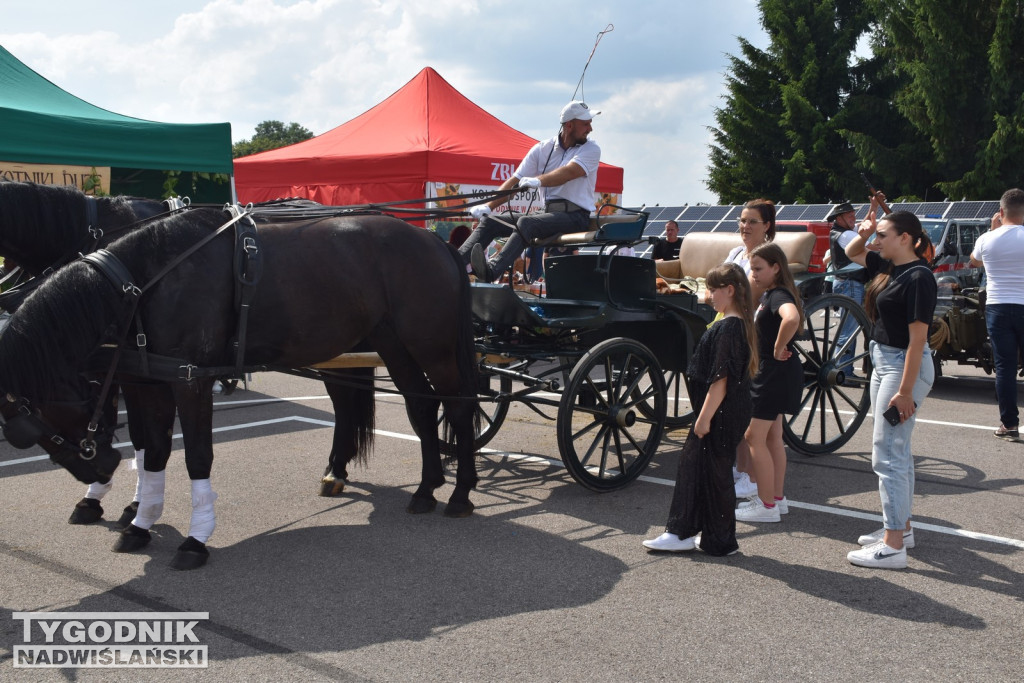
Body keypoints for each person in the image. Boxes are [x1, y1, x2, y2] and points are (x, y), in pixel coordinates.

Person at [844, 199, 936, 569]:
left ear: (907, 238)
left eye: (883, 235)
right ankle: (902, 528)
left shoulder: (919, 277)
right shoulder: (889, 266)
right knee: (897, 451)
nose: (876, 241)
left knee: (887, 454)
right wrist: (865, 231)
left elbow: (917, 342)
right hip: (883, 362)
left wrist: (903, 392)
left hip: (902, 366)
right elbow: (852, 251)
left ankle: (893, 545)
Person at [643, 263, 758, 554]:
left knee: (702, 468)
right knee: (707, 470)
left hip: (720, 413)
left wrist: (703, 418)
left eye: (712, 289)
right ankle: (708, 537)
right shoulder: (735, 324)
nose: (708, 296)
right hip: (726, 411)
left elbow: (721, 379)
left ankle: (690, 534)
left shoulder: (730, 328)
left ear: (729, 290)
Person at [459, 101, 601, 282]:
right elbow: (514, 182)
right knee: (490, 221)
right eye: (586, 123)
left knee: (527, 222)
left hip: (575, 216)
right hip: (548, 213)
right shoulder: (542, 149)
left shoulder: (591, 149)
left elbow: (569, 172)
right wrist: (488, 206)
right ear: (569, 125)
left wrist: (538, 180)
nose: (590, 128)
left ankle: (492, 271)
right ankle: (454, 262)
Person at [735, 241, 804, 523]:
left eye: (759, 269)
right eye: (751, 269)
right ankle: (776, 498)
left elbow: (792, 317)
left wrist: (777, 347)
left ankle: (766, 505)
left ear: (776, 268)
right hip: (778, 373)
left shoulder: (777, 295)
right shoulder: (769, 294)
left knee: (754, 436)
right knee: (774, 437)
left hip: (773, 373)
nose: (754, 274)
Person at [970, 188, 1024, 440]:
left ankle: (1009, 424)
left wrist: (993, 230)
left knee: (1005, 367)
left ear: (1001, 212)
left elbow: (974, 262)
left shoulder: (986, 239)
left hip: (998, 306)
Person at [827, 201, 869, 373]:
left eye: (854, 214)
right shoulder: (845, 236)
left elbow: (861, 229)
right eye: (850, 215)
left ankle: (844, 369)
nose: (854, 218)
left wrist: (873, 207)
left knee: (848, 329)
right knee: (848, 330)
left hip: (847, 283)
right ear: (840, 218)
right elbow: (865, 247)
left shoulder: (843, 232)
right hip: (850, 283)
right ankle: (842, 371)